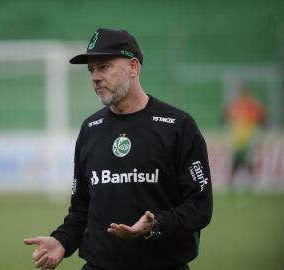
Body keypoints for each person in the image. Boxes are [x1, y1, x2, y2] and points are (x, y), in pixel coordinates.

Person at [23, 28, 213, 270]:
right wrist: (62, 240)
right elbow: (82, 208)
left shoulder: (177, 126)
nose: (95, 77)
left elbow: (200, 206)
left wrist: (156, 225)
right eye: (91, 70)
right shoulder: (90, 129)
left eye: (104, 67)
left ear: (133, 67)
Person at [224, 85, 266, 190]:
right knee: (238, 161)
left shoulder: (252, 105)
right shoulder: (236, 105)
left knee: (246, 161)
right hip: (238, 138)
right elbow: (226, 115)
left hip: (248, 137)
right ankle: (233, 185)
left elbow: (262, 117)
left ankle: (250, 183)